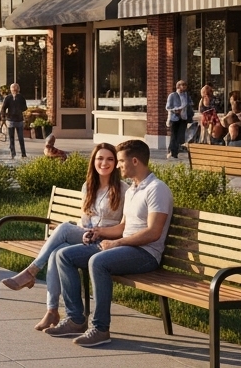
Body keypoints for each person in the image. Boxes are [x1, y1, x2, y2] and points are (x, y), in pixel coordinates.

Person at [47, 139, 171, 348]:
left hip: (145, 253)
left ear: (134, 161)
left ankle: (100, 328)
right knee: (64, 256)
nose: (119, 166)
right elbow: (124, 226)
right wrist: (99, 233)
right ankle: (75, 319)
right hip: (125, 247)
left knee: (98, 262)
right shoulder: (133, 190)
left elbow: (153, 233)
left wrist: (117, 243)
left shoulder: (157, 189)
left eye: (121, 161)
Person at [2, 143, 125, 331]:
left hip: (106, 240)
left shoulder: (123, 189)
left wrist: (99, 232)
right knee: (56, 253)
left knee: (64, 228)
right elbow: (85, 219)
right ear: (93, 161)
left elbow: (123, 226)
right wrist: (85, 231)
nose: (104, 163)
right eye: (100, 158)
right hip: (87, 235)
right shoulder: (88, 186)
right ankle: (52, 310)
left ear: (116, 163)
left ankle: (31, 272)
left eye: (110, 159)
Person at [164, 80, 192, 159]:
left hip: (184, 118)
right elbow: (168, 107)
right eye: (183, 85)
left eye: (185, 85)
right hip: (175, 118)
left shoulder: (186, 95)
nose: (184, 87)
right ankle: (172, 151)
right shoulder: (172, 95)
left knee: (180, 136)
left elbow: (190, 104)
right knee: (174, 135)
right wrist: (176, 110)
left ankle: (175, 151)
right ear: (178, 86)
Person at [0, 83, 28, 159]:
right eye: (13, 89)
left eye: (15, 89)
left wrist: (19, 108)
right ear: (11, 90)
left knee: (20, 138)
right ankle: (13, 153)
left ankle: (23, 154)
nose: (14, 91)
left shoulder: (21, 97)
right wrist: (3, 117)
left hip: (19, 120)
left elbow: (25, 108)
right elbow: (3, 108)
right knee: (12, 138)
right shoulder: (8, 98)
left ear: (18, 90)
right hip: (11, 120)